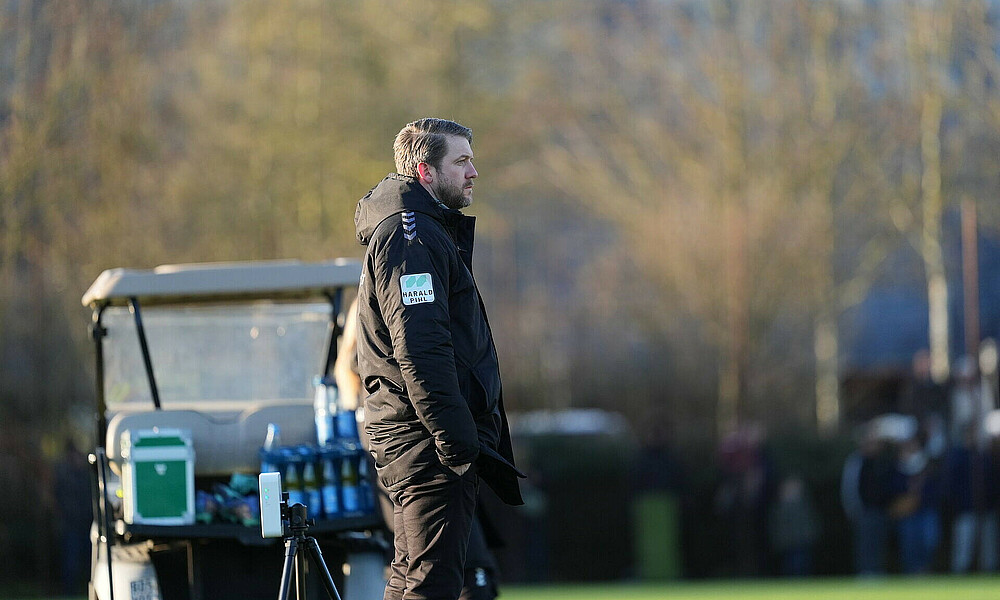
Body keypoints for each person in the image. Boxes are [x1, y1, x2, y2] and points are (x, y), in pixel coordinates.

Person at [354, 117, 524, 600]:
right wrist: (456, 443)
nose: (474, 171)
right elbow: (421, 350)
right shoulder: (413, 235)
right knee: (433, 583)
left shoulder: (417, 229)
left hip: (418, 437)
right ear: (426, 172)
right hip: (425, 441)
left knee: (411, 577)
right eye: (462, 161)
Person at [336, 296, 504, 599]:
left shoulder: (368, 302)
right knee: (434, 574)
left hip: (394, 458)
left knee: (410, 574)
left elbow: (345, 364)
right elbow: (417, 360)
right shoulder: (393, 284)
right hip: (421, 457)